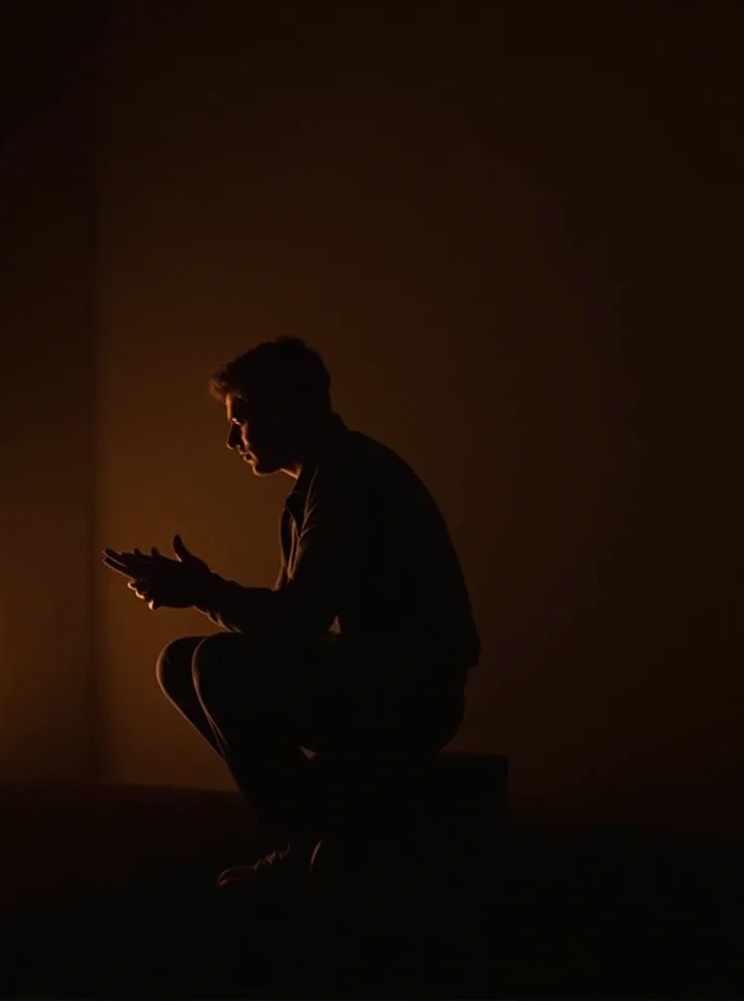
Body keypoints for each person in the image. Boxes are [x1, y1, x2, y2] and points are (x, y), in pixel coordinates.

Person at [103, 336, 480, 894]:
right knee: (180, 661)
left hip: (412, 693)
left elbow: (295, 622)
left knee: (215, 664)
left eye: (241, 419)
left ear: (289, 408)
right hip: (377, 676)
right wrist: (201, 588)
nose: (231, 439)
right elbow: (291, 628)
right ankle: (327, 833)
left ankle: (310, 842)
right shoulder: (323, 483)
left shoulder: (348, 477)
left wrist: (202, 590)